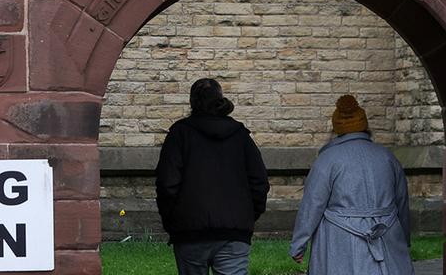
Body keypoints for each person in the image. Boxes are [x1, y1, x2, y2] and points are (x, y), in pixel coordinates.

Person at [289, 94, 414, 275]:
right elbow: (402, 202)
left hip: (340, 241)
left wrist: (298, 244)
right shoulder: (387, 157)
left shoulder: (327, 160)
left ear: (337, 128)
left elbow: (312, 205)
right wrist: (403, 239)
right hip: (385, 235)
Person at [156, 78, 270, 275]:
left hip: (190, 231)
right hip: (233, 232)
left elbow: (167, 184)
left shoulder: (180, 134)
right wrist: (249, 216)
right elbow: (259, 182)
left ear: (192, 102)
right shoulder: (240, 135)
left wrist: (173, 220)